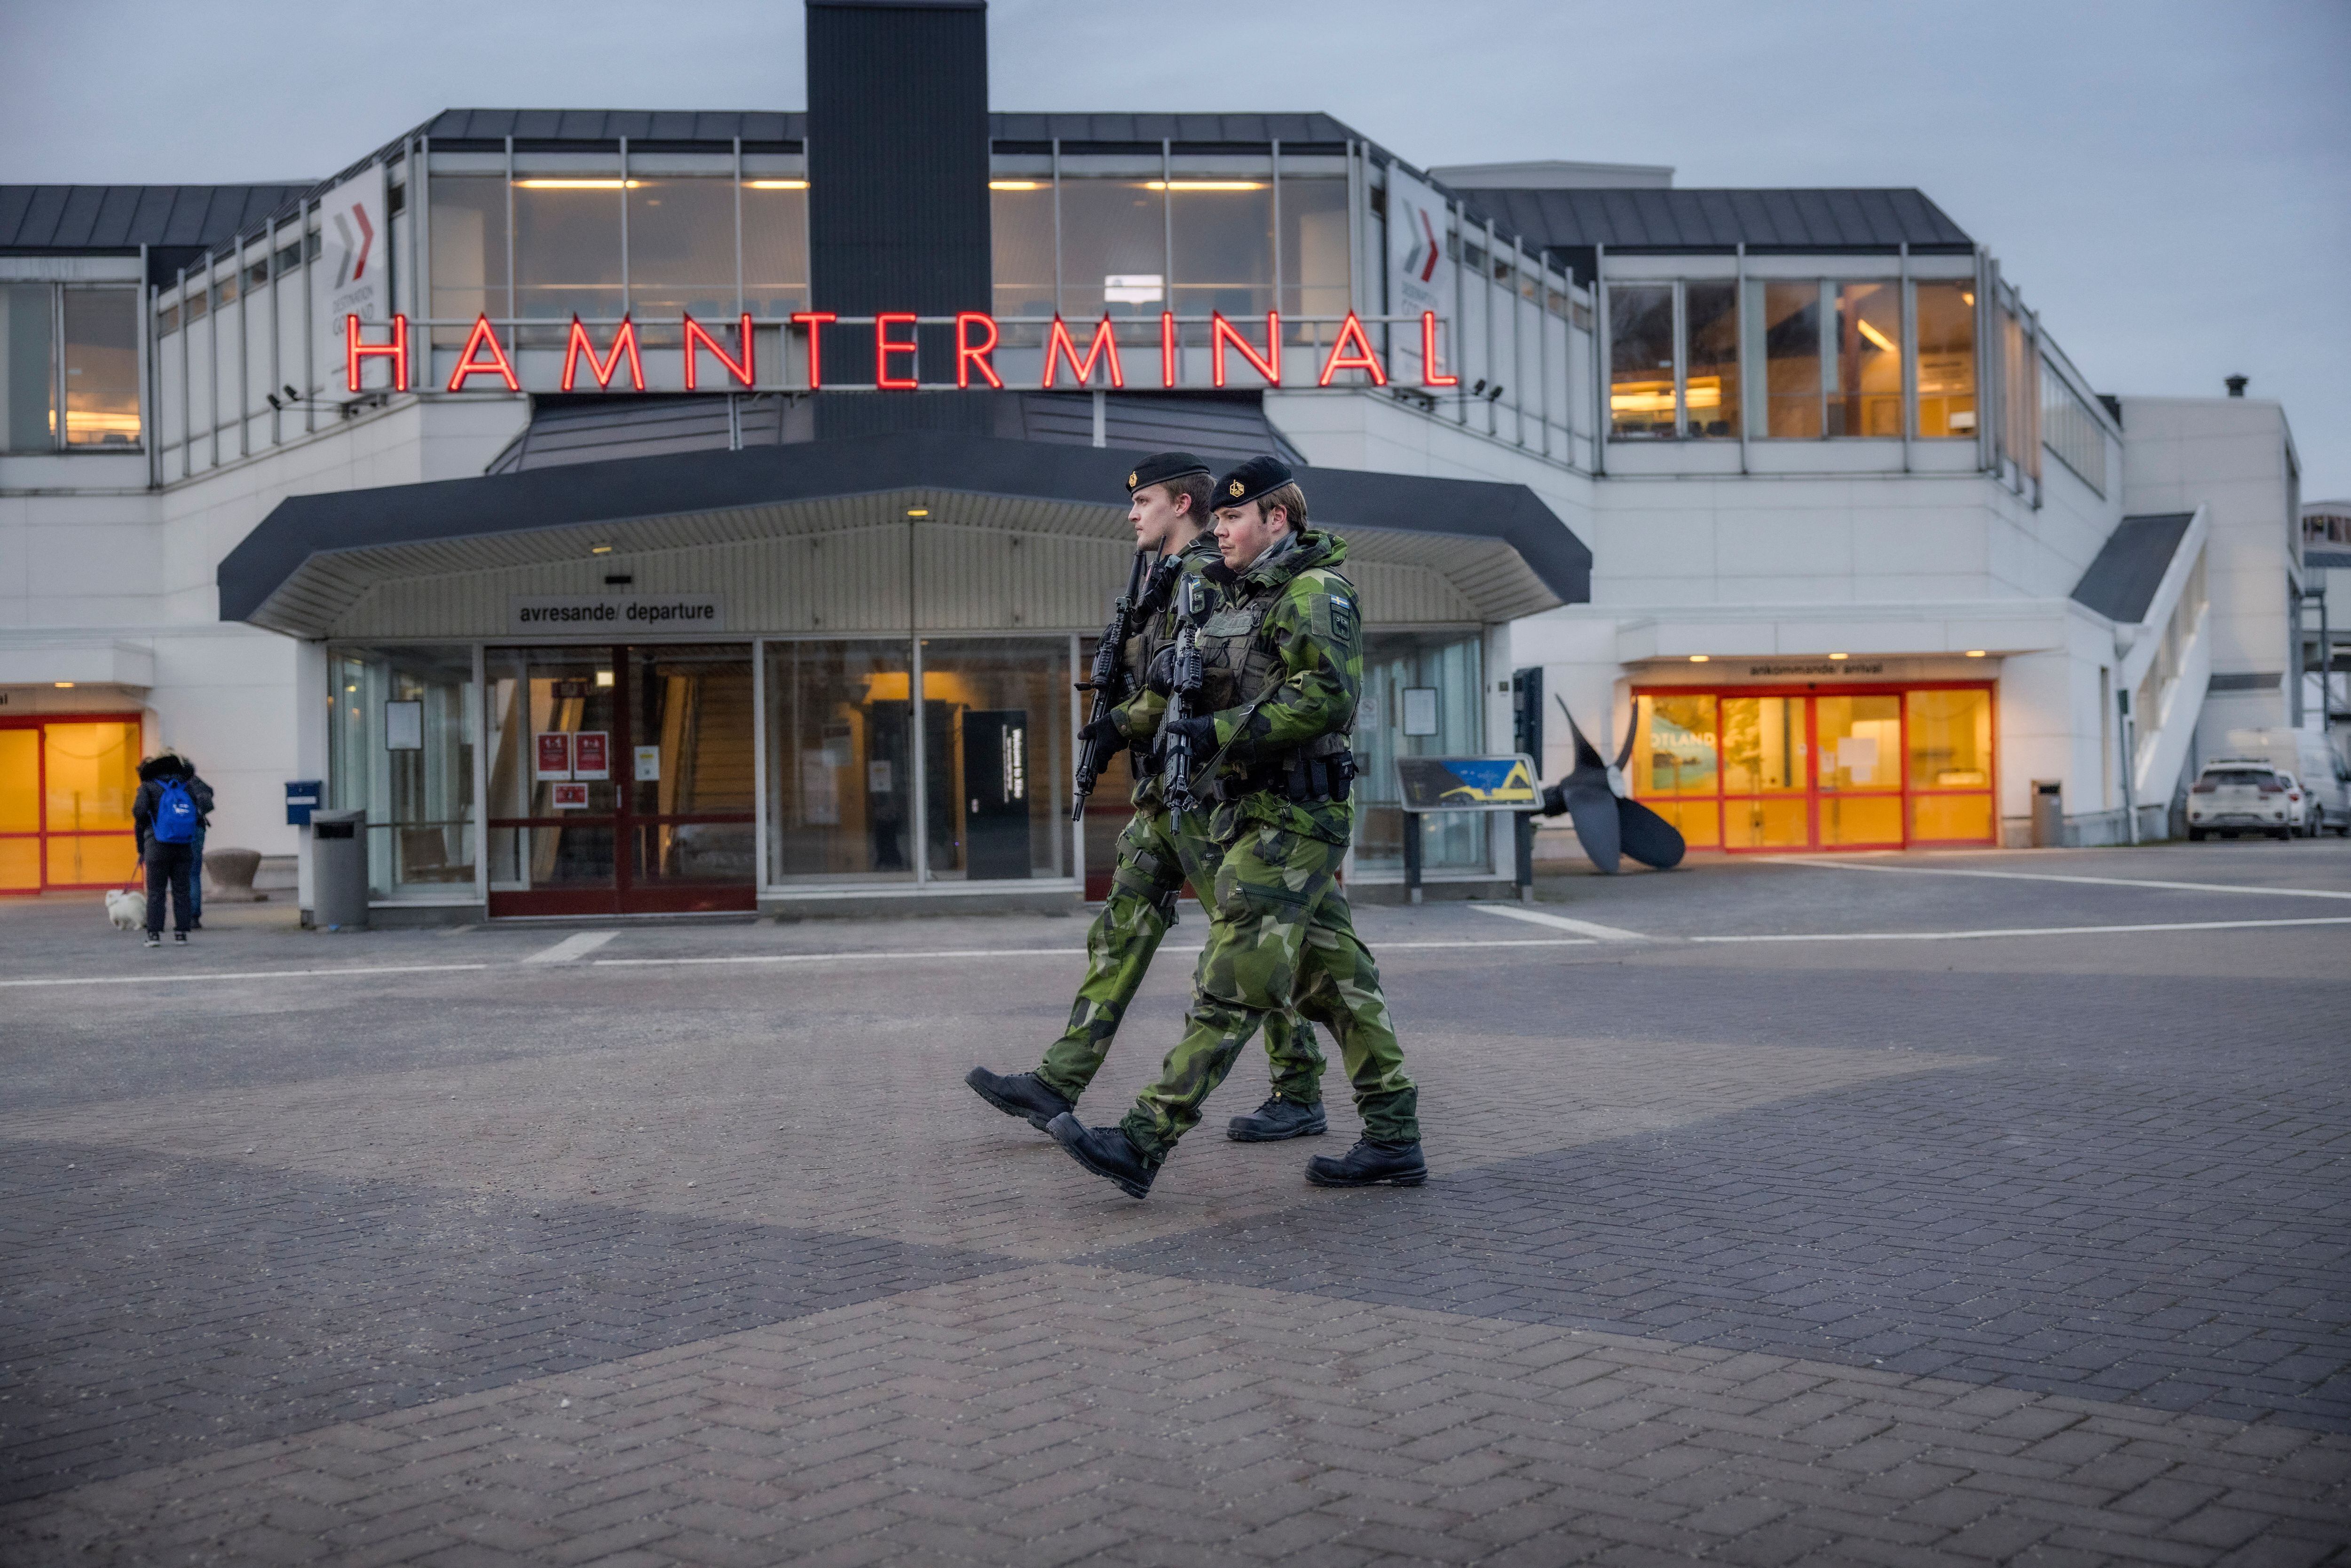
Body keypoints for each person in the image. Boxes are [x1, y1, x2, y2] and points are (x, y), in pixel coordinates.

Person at [1049, 456, 1425, 1198]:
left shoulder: (1315, 592)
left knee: (1231, 978)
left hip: (1296, 814)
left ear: (1275, 519)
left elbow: (1323, 697)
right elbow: (1186, 691)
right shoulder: (1235, 600)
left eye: (1232, 518)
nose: (1218, 530)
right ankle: (1393, 1135)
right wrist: (1124, 723)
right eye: (1216, 517)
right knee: (1339, 981)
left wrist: (1214, 728)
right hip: (1252, 812)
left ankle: (1143, 1137)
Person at [966, 452, 1329, 1140]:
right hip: (1165, 791)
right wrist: (1116, 724)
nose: (1133, 514)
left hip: (1201, 792)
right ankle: (1059, 1079)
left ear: (1183, 507)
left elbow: (1202, 684)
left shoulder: (1209, 580)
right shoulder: (1160, 579)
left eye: (1146, 501)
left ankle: (1300, 1084)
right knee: (1125, 924)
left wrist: (1131, 724)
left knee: (1247, 941)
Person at [132, 751, 201, 947]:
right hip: (183, 846)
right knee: (182, 890)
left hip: (156, 845)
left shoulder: (148, 787)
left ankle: (154, 935)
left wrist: (141, 849)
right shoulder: (186, 787)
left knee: (156, 892)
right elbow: (197, 814)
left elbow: (139, 814)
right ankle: (181, 933)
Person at [183, 760, 216, 929]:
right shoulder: (196, 782)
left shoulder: (175, 784)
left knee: (180, 876)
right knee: (194, 874)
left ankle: (182, 915)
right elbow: (210, 792)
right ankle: (194, 916)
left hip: (177, 832)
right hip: (197, 829)